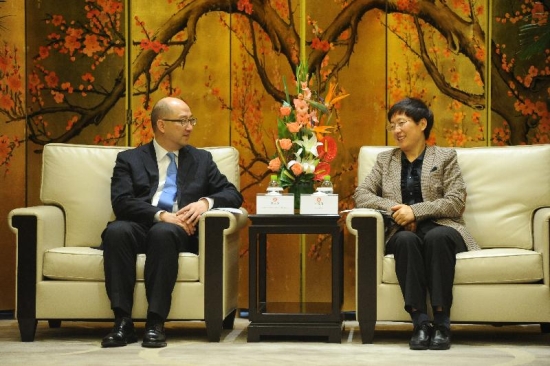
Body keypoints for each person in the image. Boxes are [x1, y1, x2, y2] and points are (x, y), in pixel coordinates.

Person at [100, 97, 243, 348]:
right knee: (116, 231)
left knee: (163, 233)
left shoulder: (202, 160)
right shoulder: (129, 159)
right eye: (183, 121)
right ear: (162, 124)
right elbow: (121, 202)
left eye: (191, 120)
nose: (190, 126)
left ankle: (155, 322)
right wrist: (160, 214)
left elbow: (233, 194)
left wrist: (204, 203)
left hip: (177, 231)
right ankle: (122, 322)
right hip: (141, 222)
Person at [353, 97, 479, 350]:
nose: (396, 130)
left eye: (402, 123)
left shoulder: (445, 157)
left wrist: (416, 211)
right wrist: (397, 212)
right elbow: (361, 194)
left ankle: (442, 323)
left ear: (422, 124)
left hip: (443, 228)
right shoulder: (384, 161)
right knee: (405, 240)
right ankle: (420, 322)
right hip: (402, 230)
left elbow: (455, 200)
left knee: (437, 237)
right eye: (392, 125)